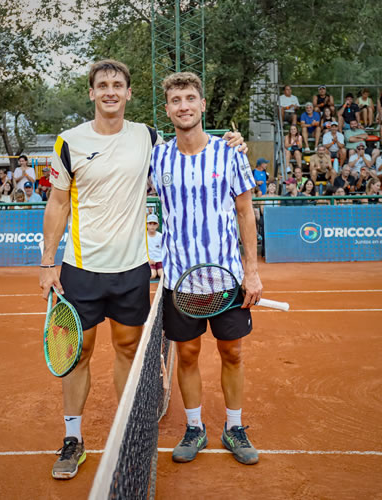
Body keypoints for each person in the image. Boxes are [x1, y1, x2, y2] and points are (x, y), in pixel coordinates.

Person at [39, 60, 245, 480]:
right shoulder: (68, 142)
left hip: (132, 269)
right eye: (103, 85)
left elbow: (193, 144)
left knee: (129, 353)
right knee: (78, 353)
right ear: (92, 93)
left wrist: (233, 141)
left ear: (129, 94)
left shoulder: (149, 139)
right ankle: (73, 438)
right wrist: (47, 262)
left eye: (118, 85)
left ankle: (128, 432)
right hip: (80, 267)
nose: (111, 91)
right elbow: (58, 203)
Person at [149, 71, 261, 467]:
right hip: (179, 281)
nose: (183, 106)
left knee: (232, 353)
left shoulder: (229, 153)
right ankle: (194, 428)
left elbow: (246, 211)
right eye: (176, 100)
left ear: (202, 105)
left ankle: (234, 427)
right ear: (168, 109)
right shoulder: (157, 157)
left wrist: (252, 271)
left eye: (190, 98)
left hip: (228, 277)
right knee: (188, 354)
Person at [146, 213, 163, 280]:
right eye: (150, 224)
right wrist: (148, 260)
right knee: (152, 275)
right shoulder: (144, 237)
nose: (152, 226)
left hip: (159, 260)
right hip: (149, 261)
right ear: (147, 225)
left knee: (162, 274)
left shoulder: (160, 236)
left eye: (154, 224)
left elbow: (164, 250)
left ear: (157, 225)